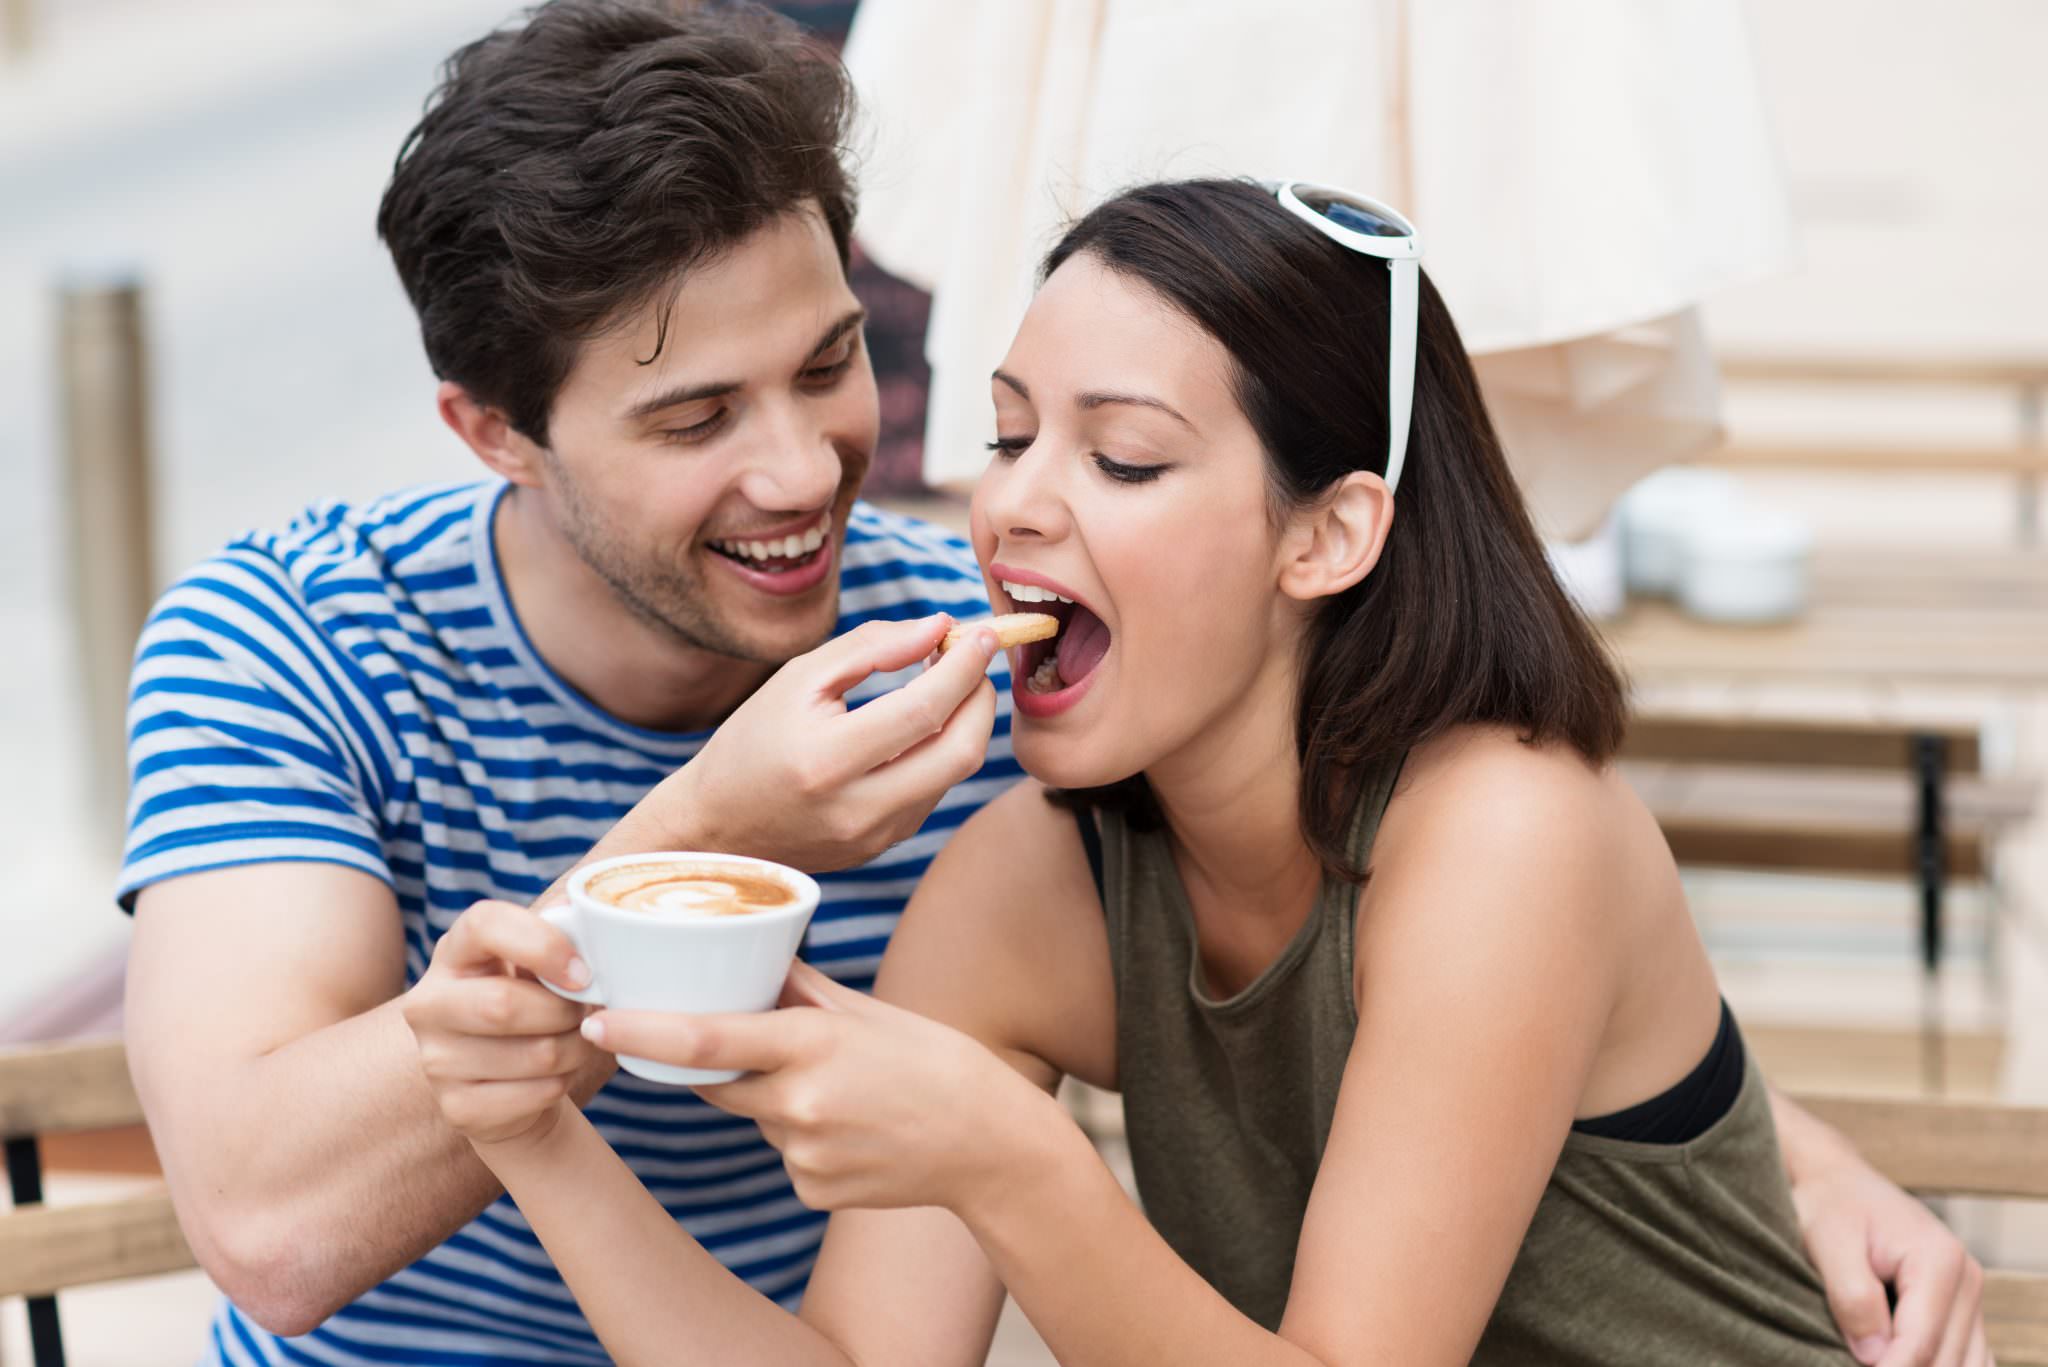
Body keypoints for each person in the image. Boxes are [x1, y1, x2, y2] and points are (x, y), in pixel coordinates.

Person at [410, 178, 1993, 1367]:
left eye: (1125, 458)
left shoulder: (1503, 832)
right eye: (1012, 435)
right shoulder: (1028, 883)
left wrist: (1009, 1159)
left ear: (1329, 534)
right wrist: (534, 1135)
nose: (1015, 506)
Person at [117, 5, 1016, 1364]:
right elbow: (269, 1229)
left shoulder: (959, 676)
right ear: (493, 430)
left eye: (829, 366)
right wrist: (715, 833)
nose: (805, 470)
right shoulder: (293, 635)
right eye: (696, 419)